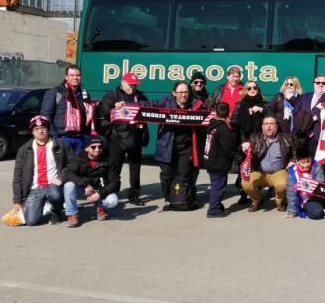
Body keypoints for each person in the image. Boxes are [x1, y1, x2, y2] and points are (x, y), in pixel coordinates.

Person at [149, 81, 207, 210]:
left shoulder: (196, 104)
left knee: (184, 175)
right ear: (174, 93)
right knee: (166, 175)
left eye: (186, 92)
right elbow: (147, 105)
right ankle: (170, 198)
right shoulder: (166, 102)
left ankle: (185, 197)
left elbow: (209, 111)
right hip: (167, 146)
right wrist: (127, 105)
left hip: (186, 148)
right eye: (181, 92)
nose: (184, 95)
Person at [97, 72, 148, 205]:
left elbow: (147, 114)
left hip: (135, 136)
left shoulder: (140, 96)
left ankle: (134, 194)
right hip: (117, 137)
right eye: (130, 84)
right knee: (115, 167)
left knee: (135, 167)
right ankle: (112, 191)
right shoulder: (112, 95)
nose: (133, 87)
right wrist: (115, 108)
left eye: (135, 85)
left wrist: (145, 135)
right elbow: (105, 112)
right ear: (123, 83)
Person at [11, 115, 70, 226]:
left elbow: (71, 164)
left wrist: (61, 178)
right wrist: (18, 200)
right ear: (32, 132)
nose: (40, 131)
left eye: (43, 128)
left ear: (48, 129)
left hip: (53, 185)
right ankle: (44, 204)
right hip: (35, 188)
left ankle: (56, 211)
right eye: (36, 129)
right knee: (31, 221)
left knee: (56, 195)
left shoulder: (61, 145)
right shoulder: (24, 150)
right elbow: (18, 175)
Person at [61, 135, 120, 227]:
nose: (97, 149)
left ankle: (100, 206)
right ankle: (72, 214)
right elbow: (67, 174)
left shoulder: (108, 159)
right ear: (86, 148)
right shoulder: (78, 158)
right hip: (83, 190)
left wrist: (100, 194)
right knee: (68, 185)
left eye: (100, 147)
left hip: (99, 190)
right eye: (93, 147)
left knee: (113, 201)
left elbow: (116, 183)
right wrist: (85, 184)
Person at [241, 115, 293, 212]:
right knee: (246, 183)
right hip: (259, 172)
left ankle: (279, 202)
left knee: (283, 183)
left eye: (272, 124)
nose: (269, 126)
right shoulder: (254, 138)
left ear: (277, 126)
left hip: (279, 171)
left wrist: (292, 161)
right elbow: (241, 155)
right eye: (266, 124)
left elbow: (295, 153)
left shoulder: (286, 138)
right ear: (262, 126)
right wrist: (244, 147)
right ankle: (256, 201)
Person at [40, 63, 94, 154]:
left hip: (80, 139)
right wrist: (55, 137)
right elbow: (46, 115)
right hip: (62, 138)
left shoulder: (85, 95)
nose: (75, 78)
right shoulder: (56, 92)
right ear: (66, 77)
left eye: (78, 75)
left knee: (78, 167)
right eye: (72, 75)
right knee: (62, 167)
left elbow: (88, 116)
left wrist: (86, 136)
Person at [204, 102, 238, 218]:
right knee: (218, 187)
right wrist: (234, 157)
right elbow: (228, 148)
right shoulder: (224, 129)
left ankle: (216, 205)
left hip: (210, 161)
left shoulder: (211, 126)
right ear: (229, 114)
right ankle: (213, 210)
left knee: (215, 185)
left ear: (215, 113)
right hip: (219, 163)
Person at [286, 143, 325, 220]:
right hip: (306, 198)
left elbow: (320, 182)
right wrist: (292, 212)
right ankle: (317, 208)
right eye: (303, 162)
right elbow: (291, 194)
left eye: (308, 161)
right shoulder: (292, 173)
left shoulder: (316, 165)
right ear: (297, 161)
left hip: (317, 193)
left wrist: (314, 185)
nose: (306, 165)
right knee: (317, 213)